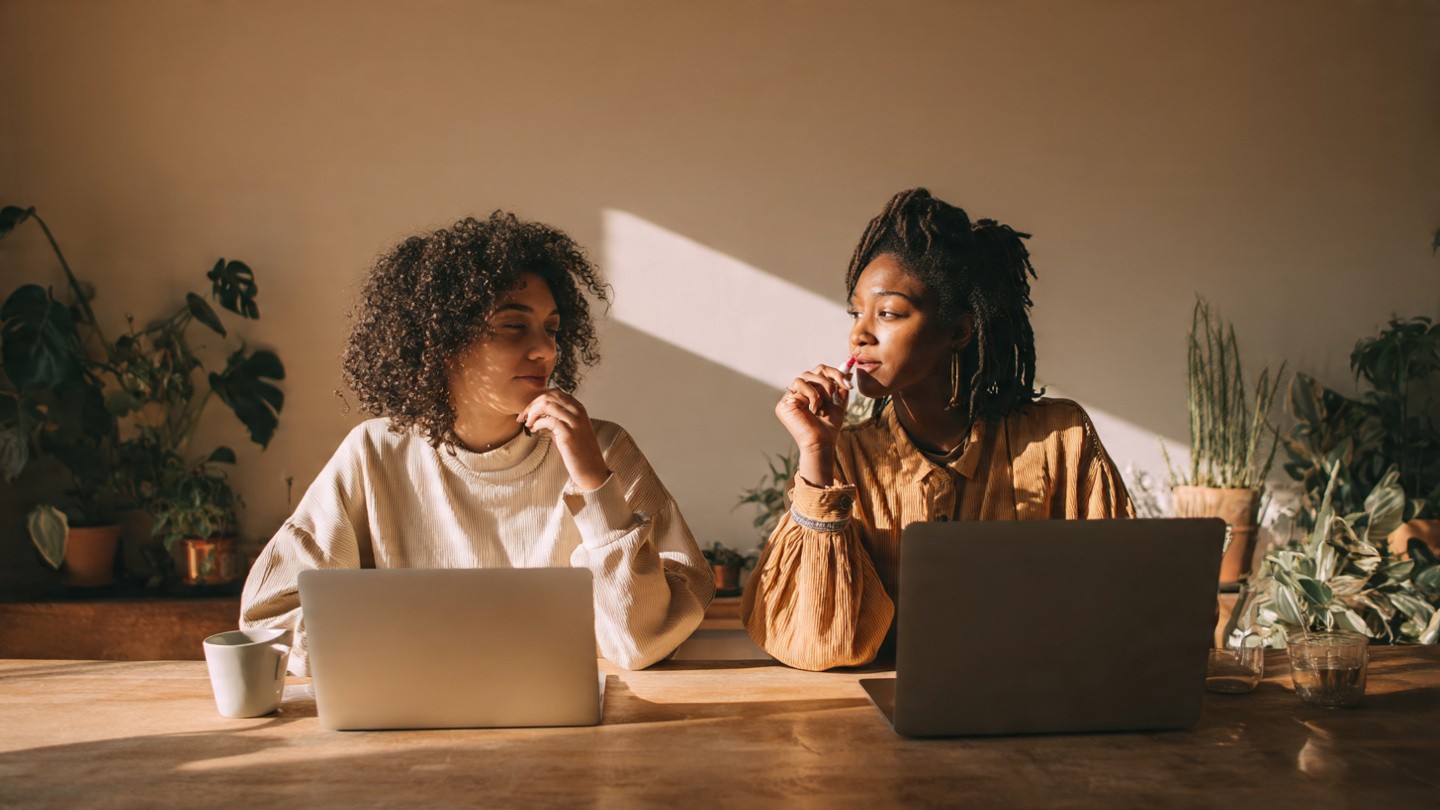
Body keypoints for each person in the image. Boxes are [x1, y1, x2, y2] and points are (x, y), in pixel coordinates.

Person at [241, 212, 714, 674]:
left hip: (573, 738)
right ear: (442, 340)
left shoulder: (602, 449)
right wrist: (395, 651)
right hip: (410, 728)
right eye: (514, 325)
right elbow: (268, 616)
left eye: (551, 328)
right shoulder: (374, 452)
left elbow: (643, 643)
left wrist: (594, 484)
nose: (546, 350)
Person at [742, 188, 1132, 671]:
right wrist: (817, 452)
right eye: (855, 312)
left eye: (887, 313)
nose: (859, 334)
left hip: (1031, 710)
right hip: (875, 723)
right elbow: (819, 645)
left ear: (959, 332)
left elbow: (1120, 605)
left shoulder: (1060, 438)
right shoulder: (846, 458)